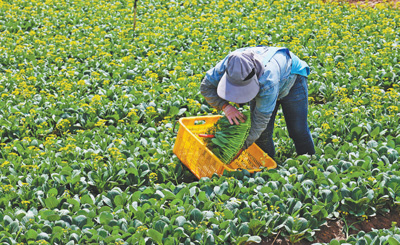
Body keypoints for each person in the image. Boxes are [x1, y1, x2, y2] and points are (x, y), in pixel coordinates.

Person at [200, 46, 315, 159]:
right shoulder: (229, 64)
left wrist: (240, 147)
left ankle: (310, 162)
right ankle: (267, 167)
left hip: (293, 78)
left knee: (298, 130)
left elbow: (260, 120)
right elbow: (206, 87)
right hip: (270, 80)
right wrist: (226, 107)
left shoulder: (268, 81)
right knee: (262, 135)